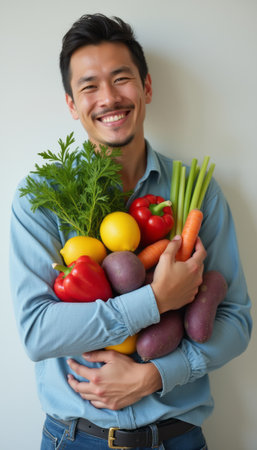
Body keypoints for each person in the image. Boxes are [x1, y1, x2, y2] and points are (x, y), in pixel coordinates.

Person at [10, 13, 252, 450]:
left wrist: (156, 375)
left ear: (147, 88)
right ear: (71, 104)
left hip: (179, 438)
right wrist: (156, 300)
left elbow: (235, 320)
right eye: (89, 86)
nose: (108, 98)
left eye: (121, 79)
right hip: (75, 438)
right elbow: (38, 332)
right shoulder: (38, 200)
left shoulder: (196, 193)